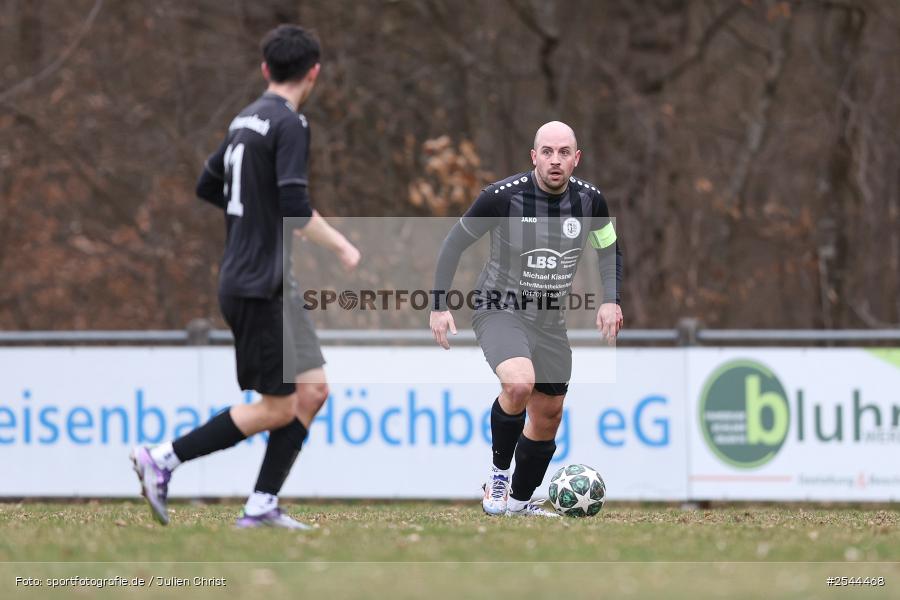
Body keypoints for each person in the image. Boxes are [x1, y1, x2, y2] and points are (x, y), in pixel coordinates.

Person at [130, 24, 360, 529]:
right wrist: (340, 242)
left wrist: (259, 214)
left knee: (314, 390)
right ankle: (162, 458)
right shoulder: (291, 124)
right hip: (260, 285)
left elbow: (207, 184)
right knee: (278, 408)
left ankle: (260, 506)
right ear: (314, 73)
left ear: (265, 69)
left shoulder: (245, 119)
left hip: (265, 280)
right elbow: (296, 207)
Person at [429, 121, 623, 517]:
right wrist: (438, 304)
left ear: (576, 158)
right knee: (519, 383)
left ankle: (519, 503)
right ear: (533, 156)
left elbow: (608, 249)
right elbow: (454, 243)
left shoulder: (591, 202)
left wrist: (611, 300)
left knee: (548, 415)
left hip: (550, 320)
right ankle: (499, 476)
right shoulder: (501, 198)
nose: (555, 160)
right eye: (547, 152)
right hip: (499, 308)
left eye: (564, 152)